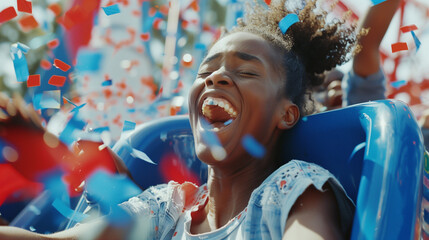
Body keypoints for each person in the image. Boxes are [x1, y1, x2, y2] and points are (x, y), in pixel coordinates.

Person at [0, 0, 360, 239]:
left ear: (286, 113)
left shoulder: (295, 190)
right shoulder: (167, 207)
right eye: (207, 71)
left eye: (247, 72)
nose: (215, 79)